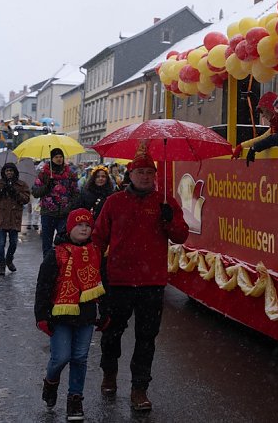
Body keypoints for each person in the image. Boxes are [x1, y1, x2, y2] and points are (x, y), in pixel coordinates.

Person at [92, 152, 189, 412]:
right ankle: (109, 372)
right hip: (119, 280)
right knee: (112, 332)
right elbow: (98, 237)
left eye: (150, 173)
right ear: (130, 175)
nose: (146, 177)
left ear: (155, 177)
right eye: (140, 173)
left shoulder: (164, 203)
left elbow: (181, 237)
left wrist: (170, 219)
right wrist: (91, 270)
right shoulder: (114, 202)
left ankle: (139, 388)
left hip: (151, 282)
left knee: (146, 337)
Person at [35, 208, 106, 420]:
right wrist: (41, 316)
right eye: (79, 225)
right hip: (60, 315)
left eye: (87, 225)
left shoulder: (95, 252)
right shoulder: (56, 254)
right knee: (61, 357)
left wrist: (106, 311)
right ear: (69, 227)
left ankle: (75, 399)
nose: (84, 229)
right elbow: (44, 286)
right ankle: (51, 382)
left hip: (85, 315)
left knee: (80, 357)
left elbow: (104, 283)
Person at [32, 148, 79, 256]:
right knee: (47, 244)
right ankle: (47, 267)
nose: (59, 159)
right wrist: (47, 186)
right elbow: (35, 192)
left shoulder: (70, 174)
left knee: (64, 242)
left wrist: (70, 207)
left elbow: (76, 193)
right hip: (48, 214)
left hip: (64, 214)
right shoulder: (44, 174)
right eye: (56, 157)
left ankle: (62, 267)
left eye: (61, 157)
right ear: (51, 159)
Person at [0, 162, 31, 275]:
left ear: (15, 172)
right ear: (4, 172)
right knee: (1, 243)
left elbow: (26, 199)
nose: (9, 173)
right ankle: (1, 266)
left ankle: (9, 260)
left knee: (13, 243)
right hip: (1, 218)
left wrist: (15, 192)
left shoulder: (21, 185)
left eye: (11, 170)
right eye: (7, 171)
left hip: (14, 218)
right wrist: (1, 192)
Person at [234, 91, 278, 158]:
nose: (263, 115)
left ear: (270, 109)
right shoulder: (275, 125)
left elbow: (272, 139)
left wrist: (254, 148)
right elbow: (263, 138)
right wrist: (242, 145)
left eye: (263, 111)